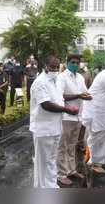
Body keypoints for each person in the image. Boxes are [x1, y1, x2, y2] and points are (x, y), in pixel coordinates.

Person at [29, 55, 79, 188]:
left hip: (55, 127)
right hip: (43, 129)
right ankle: (42, 189)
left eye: (57, 67)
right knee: (43, 162)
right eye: (52, 67)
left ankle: (51, 186)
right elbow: (45, 104)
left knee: (51, 160)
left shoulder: (55, 80)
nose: (55, 69)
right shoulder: (40, 82)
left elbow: (58, 97)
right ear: (45, 66)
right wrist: (67, 109)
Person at [56, 54, 91, 186]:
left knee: (72, 145)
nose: (75, 65)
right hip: (66, 116)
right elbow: (59, 96)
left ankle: (71, 170)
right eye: (73, 62)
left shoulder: (80, 77)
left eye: (77, 62)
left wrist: (89, 96)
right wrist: (78, 95)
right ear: (67, 62)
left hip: (78, 116)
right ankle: (61, 174)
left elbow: (85, 92)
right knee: (62, 146)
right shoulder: (62, 77)